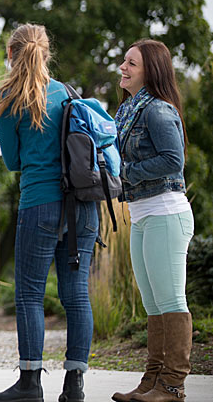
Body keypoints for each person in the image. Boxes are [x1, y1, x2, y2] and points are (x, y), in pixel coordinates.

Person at [0, 24, 98, 402]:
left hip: (40, 204)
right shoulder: (67, 93)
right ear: (46, 52)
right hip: (83, 207)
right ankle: (74, 385)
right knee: (77, 296)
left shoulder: (10, 96)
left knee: (31, 294)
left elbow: (13, 161)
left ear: (11, 53)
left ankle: (30, 383)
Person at [110, 39, 194, 402]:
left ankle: (173, 385)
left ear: (150, 71)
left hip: (166, 213)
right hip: (143, 214)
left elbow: (173, 161)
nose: (123, 68)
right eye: (124, 62)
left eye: (131, 64)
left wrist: (124, 173)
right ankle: (152, 381)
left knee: (171, 300)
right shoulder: (128, 109)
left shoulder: (157, 111)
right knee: (154, 304)